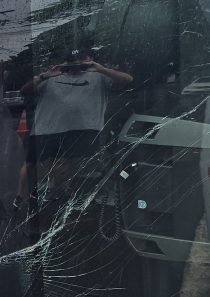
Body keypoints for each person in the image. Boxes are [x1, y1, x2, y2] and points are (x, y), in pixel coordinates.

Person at [13, 48, 132, 208]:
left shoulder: (99, 76)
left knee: (68, 163)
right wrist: (44, 76)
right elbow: (24, 91)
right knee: (30, 163)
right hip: (45, 128)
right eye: (71, 60)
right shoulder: (52, 76)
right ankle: (19, 196)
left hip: (80, 129)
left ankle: (55, 189)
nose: (77, 63)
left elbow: (127, 80)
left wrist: (101, 69)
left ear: (91, 59)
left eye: (82, 59)